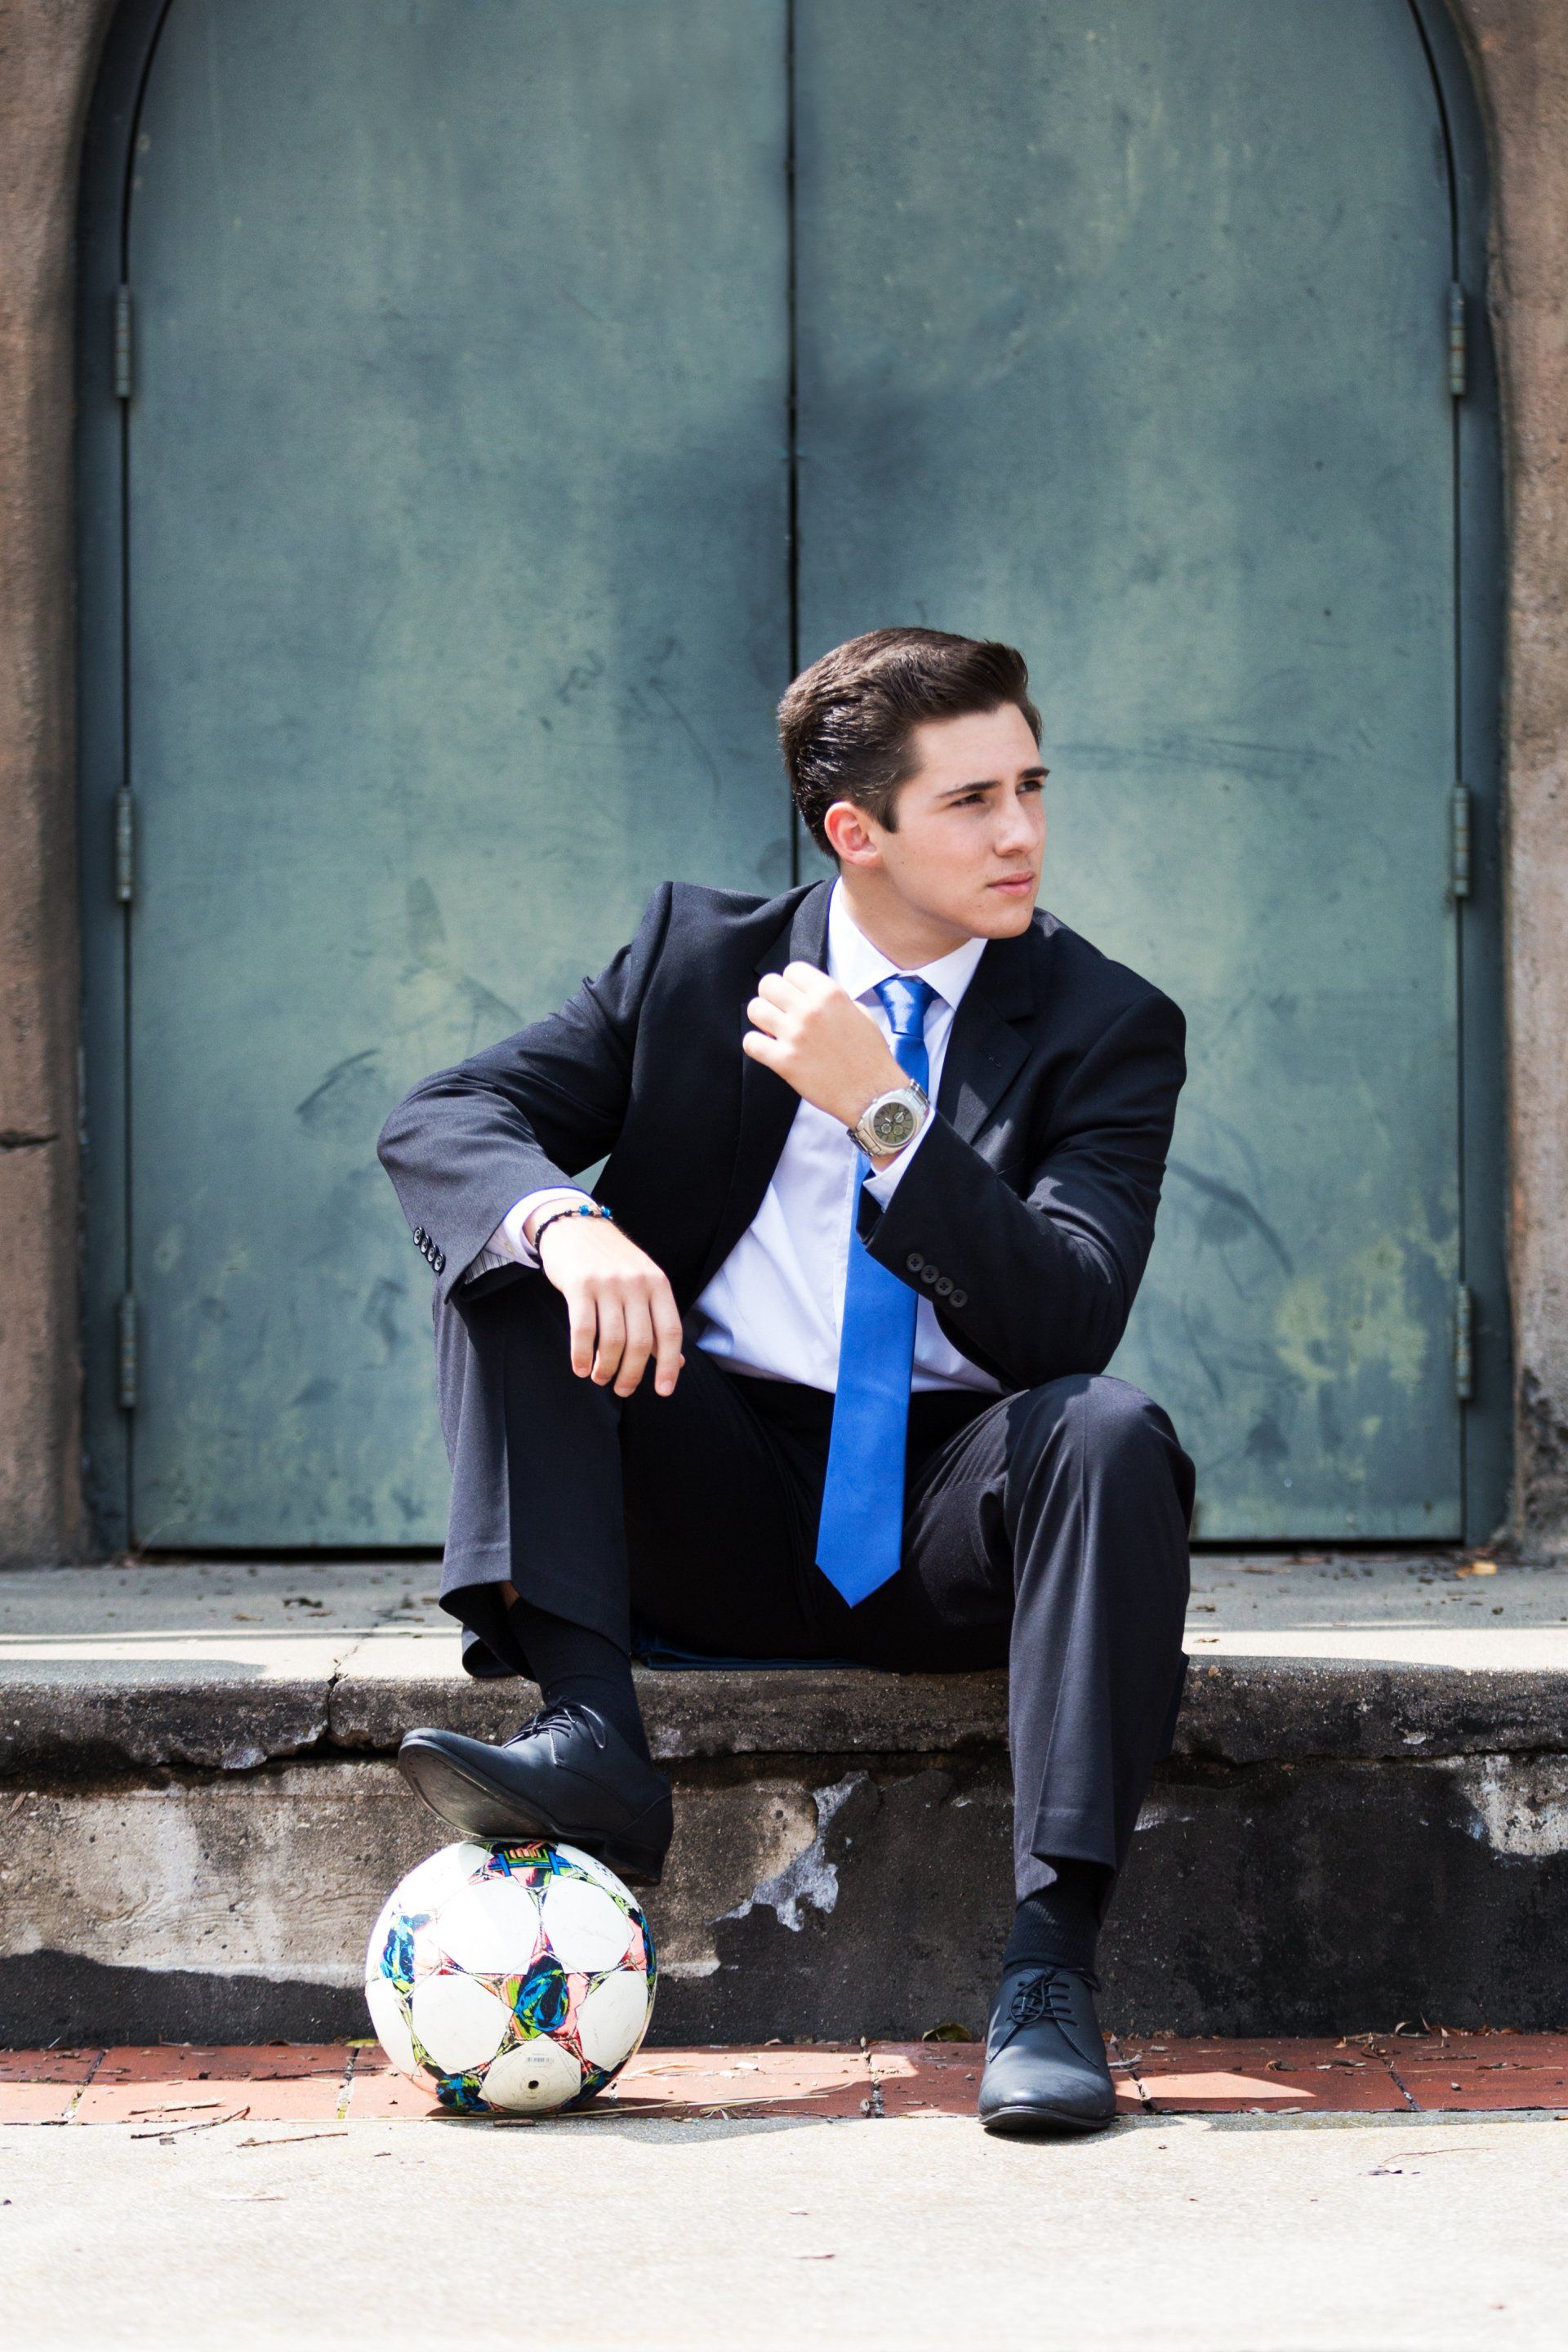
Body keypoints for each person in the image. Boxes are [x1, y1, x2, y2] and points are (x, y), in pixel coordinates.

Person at [377, 626, 1193, 2136]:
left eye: (1031, 786)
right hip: (717, 1486)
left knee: (1112, 1431)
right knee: (511, 1259)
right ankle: (594, 1738)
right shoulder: (699, 962)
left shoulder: (1104, 1024)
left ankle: (1050, 1972)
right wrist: (572, 1222)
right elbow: (450, 1118)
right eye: (971, 801)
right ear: (854, 831)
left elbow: (1066, 1322)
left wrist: (886, 1114)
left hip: (957, 1520)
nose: (1021, 832)